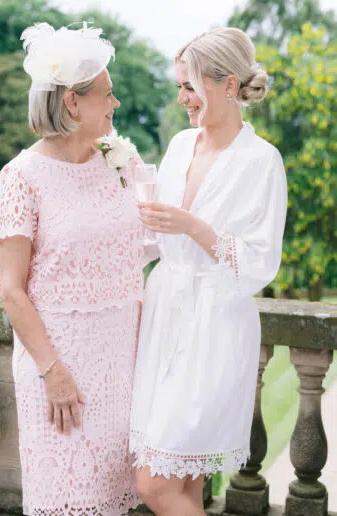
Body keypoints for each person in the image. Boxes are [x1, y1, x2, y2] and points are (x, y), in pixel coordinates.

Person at [130, 27, 288, 516]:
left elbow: (260, 262)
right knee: (183, 484)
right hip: (164, 316)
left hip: (215, 325)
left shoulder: (262, 162)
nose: (182, 98)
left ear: (228, 84)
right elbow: (158, 237)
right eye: (179, 86)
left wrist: (194, 227)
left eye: (190, 85)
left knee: (154, 484)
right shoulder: (180, 146)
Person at [0, 22, 144, 516]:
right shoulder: (20, 179)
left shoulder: (122, 162)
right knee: (67, 502)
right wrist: (53, 373)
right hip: (62, 370)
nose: (115, 103)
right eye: (106, 93)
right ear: (73, 102)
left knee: (115, 500)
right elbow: (10, 289)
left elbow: (148, 242)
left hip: (123, 364)